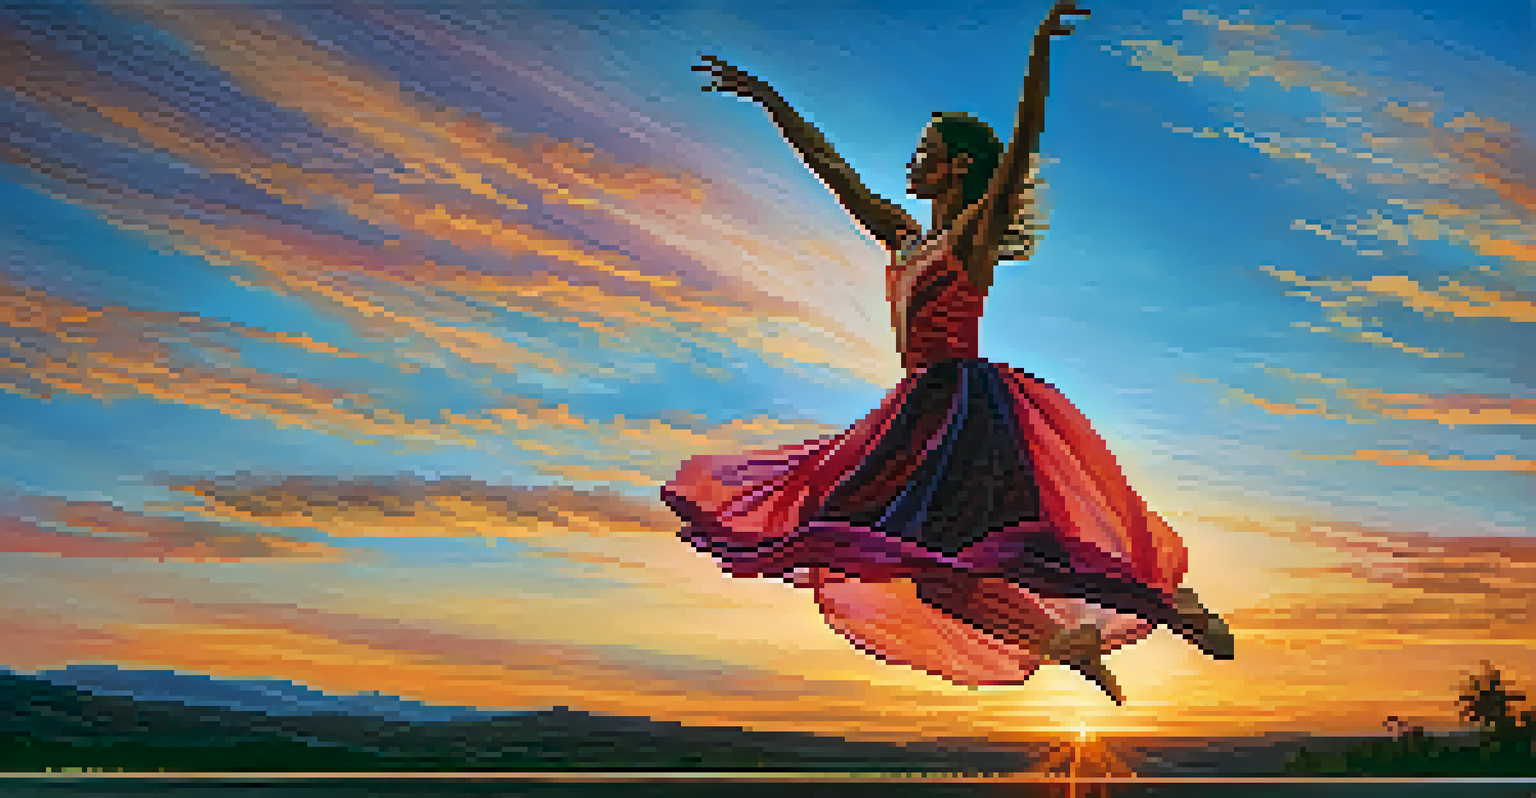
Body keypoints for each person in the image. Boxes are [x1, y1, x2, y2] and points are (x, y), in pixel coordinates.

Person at [662, 0, 1232, 706]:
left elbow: (1023, 145)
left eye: (925, 150)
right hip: (916, 410)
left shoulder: (971, 234)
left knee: (1018, 544)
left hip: (966, 411)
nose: (912, 159)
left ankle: (1170, 600)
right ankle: (1066, 641)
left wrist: (1040, 52)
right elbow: (832, 167)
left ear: (957, 167)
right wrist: (768, 98)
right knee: (928, 568)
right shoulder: (906, 238)